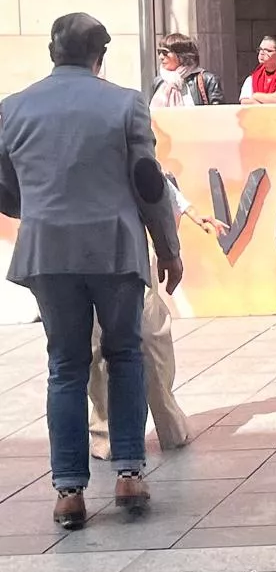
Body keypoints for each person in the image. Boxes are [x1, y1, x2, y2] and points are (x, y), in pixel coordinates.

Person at [0, 13, 183, 529]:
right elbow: (148, 182)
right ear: (100, 55)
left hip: (46, 253)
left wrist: (35, 207)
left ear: (52, 51)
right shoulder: (125, 102)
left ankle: (68, 491)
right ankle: (128, 473)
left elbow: (4, 187)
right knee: (124, 354)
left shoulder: (11, 108)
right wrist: (168, 248)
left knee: (65, 365)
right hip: (114, 249)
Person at [88, 172, 224, 460]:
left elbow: (156, 180)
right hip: (82, 250)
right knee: (96, 343)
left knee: (151, 336)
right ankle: (105, 433)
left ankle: (169, 422)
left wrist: (191, 218)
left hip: (131, 247)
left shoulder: (125, 131)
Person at [151, 33, 223, 107]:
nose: (161, 57)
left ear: (182, 56)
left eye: (165, 52)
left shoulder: (207, 80)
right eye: (159, 52)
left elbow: (217, 114)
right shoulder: (159, 82)